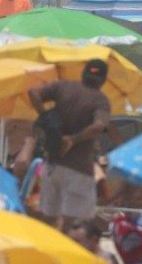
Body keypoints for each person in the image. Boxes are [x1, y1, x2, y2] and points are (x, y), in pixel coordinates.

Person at [27, 59, 112, 228]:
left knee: (48, 221)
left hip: (52, 166)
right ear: (103, 80)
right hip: (78, 170)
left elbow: (33, 93)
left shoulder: (62, 87)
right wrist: (74, 139)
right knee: (74, 226)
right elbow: (99, 126)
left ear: (83, 74)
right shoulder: (100, 101)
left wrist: (46, 117)